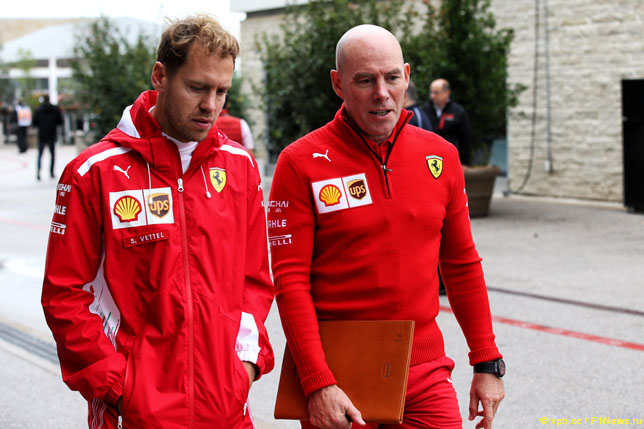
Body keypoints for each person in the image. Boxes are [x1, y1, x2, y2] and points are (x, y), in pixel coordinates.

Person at [41, 14, 274, 428]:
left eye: (222, 91)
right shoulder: (94, 172)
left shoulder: (239, 167)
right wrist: (118, 385)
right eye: (197, 88)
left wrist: (244, 367)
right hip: (133, 413)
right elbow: (64, 295)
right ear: (160, 76)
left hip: (226, 411)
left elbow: (254, 281)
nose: (211, 105)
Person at [268, 24, 504, 429]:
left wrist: (487, 362)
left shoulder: (441, 156)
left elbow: (462, 264)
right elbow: (290, 282)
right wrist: (317, 381)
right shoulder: (299, 162)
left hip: (425, 369)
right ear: (338, 84)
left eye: (392, 77)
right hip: (337, 374)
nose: (382, 92)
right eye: (365, 80)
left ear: (406, 77)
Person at [423, 78, 472, 166]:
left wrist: (465, 162)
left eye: (436, 93)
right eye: (431, 92)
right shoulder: (425, 109)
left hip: (450, 159)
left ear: (447, 93)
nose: (432, 96)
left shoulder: (458, 111)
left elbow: (465, 138)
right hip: (428, 158)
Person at [33, 94, 63, 180]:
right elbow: (60, 121)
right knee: (52, 154)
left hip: (42, 134)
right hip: (52, 134)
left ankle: (38, 173)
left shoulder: (38, 109)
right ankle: (51, 172)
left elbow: (34, 122)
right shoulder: (55, 109)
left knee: (40, 154)